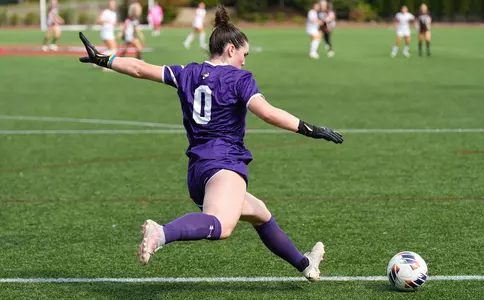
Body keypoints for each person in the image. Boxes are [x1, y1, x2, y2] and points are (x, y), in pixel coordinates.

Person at [77, 5, 342, 281]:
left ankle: (305, 264)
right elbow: (268, 112)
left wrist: (103, 59)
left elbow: (139, 68)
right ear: (230, 49)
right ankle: (162, 232)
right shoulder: (239, 78)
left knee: (260, 213)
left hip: (198, 172)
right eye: (244, 54)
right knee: (223, 226)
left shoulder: (187, 73)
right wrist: (310, 129)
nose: (244, 61)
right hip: (224, 165)